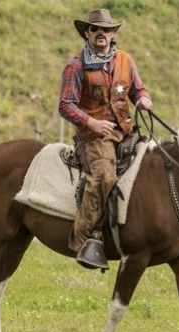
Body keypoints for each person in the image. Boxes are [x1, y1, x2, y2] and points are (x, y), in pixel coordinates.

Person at [59, 8, 153, 270]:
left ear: (113, 33)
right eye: (95, 29)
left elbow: (138, 89)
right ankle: (81, 241)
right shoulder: (75, 66)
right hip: (93, 137)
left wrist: (143, 99)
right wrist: (91, 122)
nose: (102, 34)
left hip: (126, 131)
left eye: (107, 29)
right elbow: (65, 105)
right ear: (87, 33)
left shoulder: (125, 60)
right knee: (104, 177)